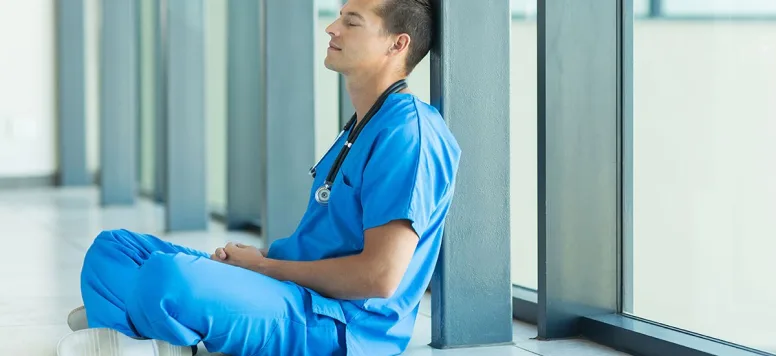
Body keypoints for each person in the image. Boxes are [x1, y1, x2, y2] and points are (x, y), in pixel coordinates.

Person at [56, 0, 460, 355]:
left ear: (398, 44)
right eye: (338, 17)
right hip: (291, 290)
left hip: (340, 324)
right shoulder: (360, 125)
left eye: (351, 22)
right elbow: (323, 243)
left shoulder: (409, 133)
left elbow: (379, 277)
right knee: (112, 250)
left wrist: (263, 268)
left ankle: (133, 327)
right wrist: (261, 260)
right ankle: (150, 334)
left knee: (166, 277)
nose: (331, 28)